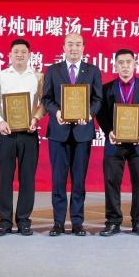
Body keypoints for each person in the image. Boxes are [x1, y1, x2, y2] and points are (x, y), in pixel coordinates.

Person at [42, 32, 102, 236]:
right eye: (70, 44)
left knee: (79, 180)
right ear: (63, 47)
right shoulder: (53, 70)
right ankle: (58, 223)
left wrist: (89, 113)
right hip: (58, 133)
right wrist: (57, 112)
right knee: (58, 180)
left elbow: (98, 99)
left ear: (84, 47)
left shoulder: (92, 71)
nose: (74, 48)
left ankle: (77, 222)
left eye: (78, 44)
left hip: (82, 133)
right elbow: (46, 98)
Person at [0, 39, 45, 237]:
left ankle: (24, 221)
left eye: (23, 52)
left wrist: (36, 118)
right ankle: (4, 221)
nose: (20, 55)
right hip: (6, 133)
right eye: (16, 52)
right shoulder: (0, 76)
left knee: (27, 178)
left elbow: (44, 103)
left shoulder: (38, 77)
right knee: (4, 178)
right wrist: (0, 121)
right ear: (9, 55)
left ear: (29, 55)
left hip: (29, 133)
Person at [97, 49, 139, 237]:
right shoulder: (106, 89)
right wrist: (109, 131)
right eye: (121, 63)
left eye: (128, 62)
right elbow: (101, 114)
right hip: (115, 142)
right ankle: (113, 221)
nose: (125, 66)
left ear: (135, 64)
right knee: (111, 182)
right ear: (115, 66)